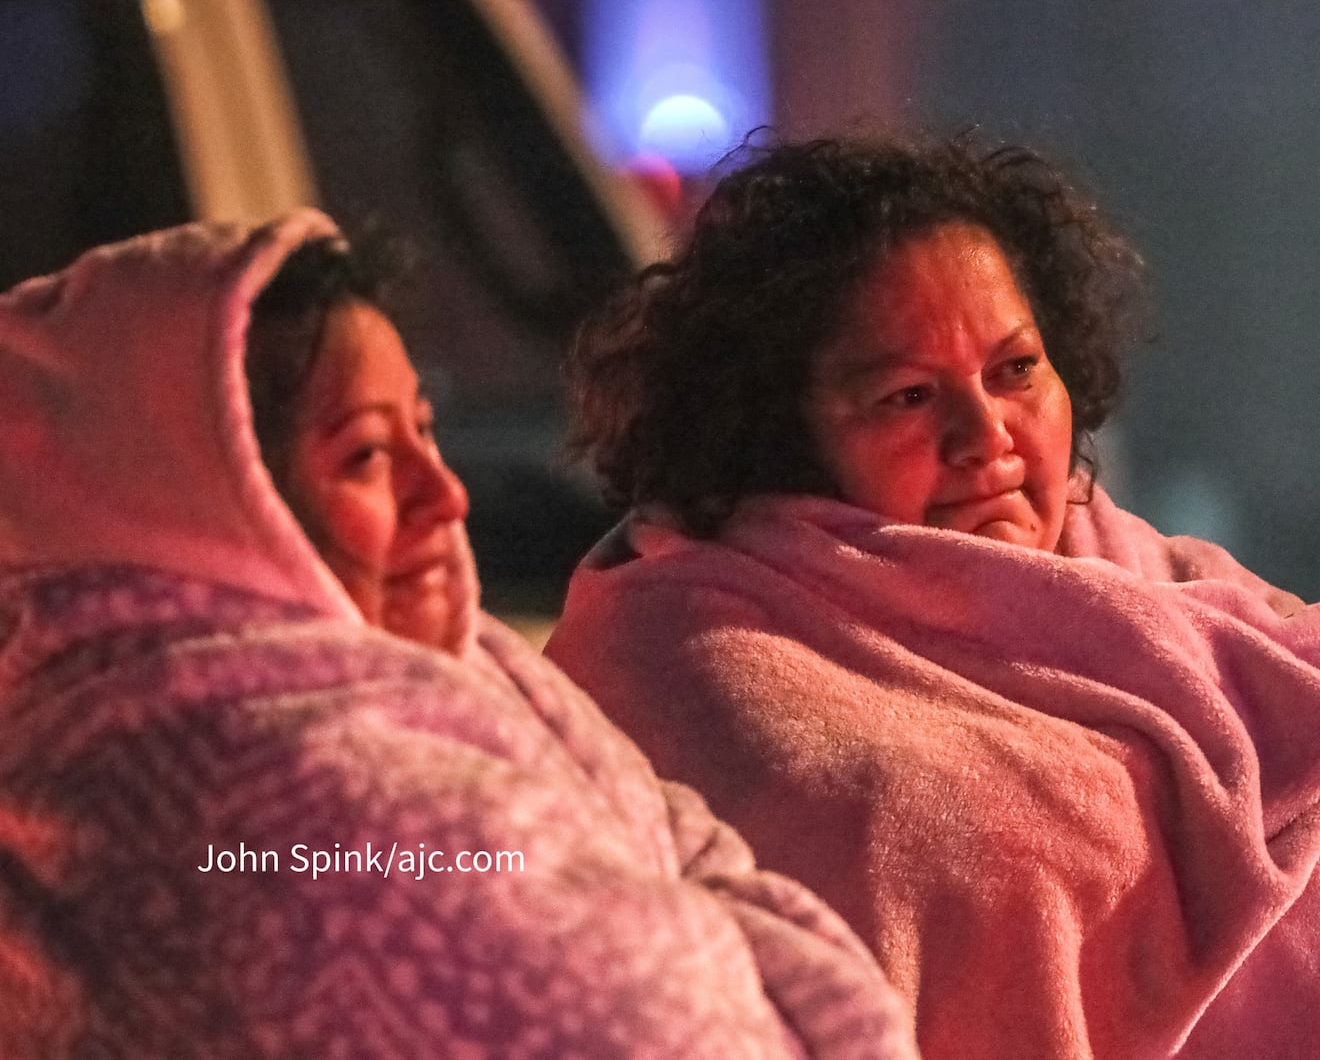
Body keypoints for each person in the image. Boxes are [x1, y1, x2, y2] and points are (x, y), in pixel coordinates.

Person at [547, 135, 1320, 1059]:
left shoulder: (1171, 582)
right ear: (778, 429)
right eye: (908, 396)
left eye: (1013, 370)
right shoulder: (700, 653)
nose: (985, 434)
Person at [0, 210, 917, 1058]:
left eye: (426, 430)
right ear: (208, 507)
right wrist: (691, 907)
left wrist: (680, 899)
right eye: (364, 454)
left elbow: (692, 853)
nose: (445, 495)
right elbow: (660, 1026)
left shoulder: (479, 672)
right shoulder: (271, 799)